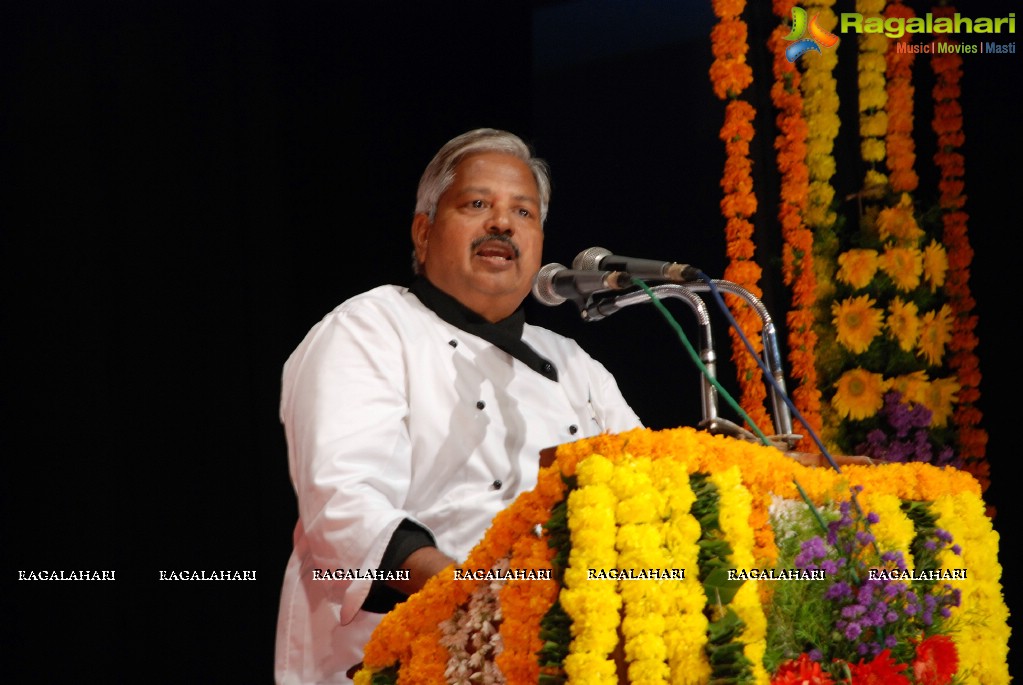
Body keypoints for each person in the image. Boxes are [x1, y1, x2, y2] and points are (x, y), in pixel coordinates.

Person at [274, 128, 642, 684]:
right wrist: (479, 599)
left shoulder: (573, 364)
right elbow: (343, 504)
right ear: (422, 233)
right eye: (477, 204)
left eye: (524, 212)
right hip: (407, 656)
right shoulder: (368, 329)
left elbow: (648, 485)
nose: (502, 223)